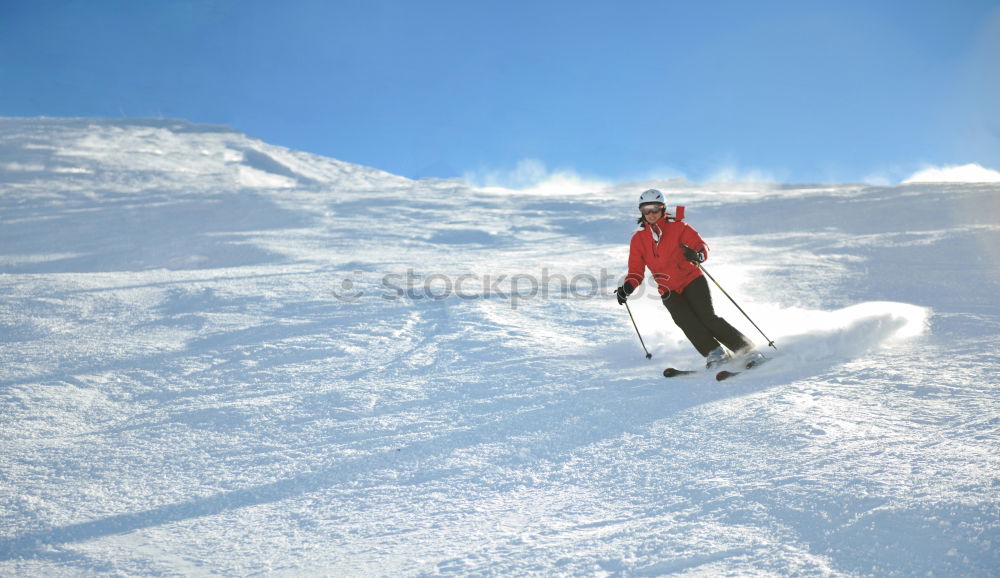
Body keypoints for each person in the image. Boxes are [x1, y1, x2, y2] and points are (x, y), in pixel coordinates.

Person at [615, 189, 762, 369]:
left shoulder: (679, 227)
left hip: (692, 279)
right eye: (646, 210)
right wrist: (627, 288)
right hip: (667, 289)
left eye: (655, 209)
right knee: (685, 321)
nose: (651, 214)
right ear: (641, 212)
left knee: (707, 318)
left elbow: (701, 246)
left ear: (663, 208)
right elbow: (636, 271)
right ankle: (715, 353)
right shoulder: (638, 239)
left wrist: (697, 255)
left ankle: (747, 350)